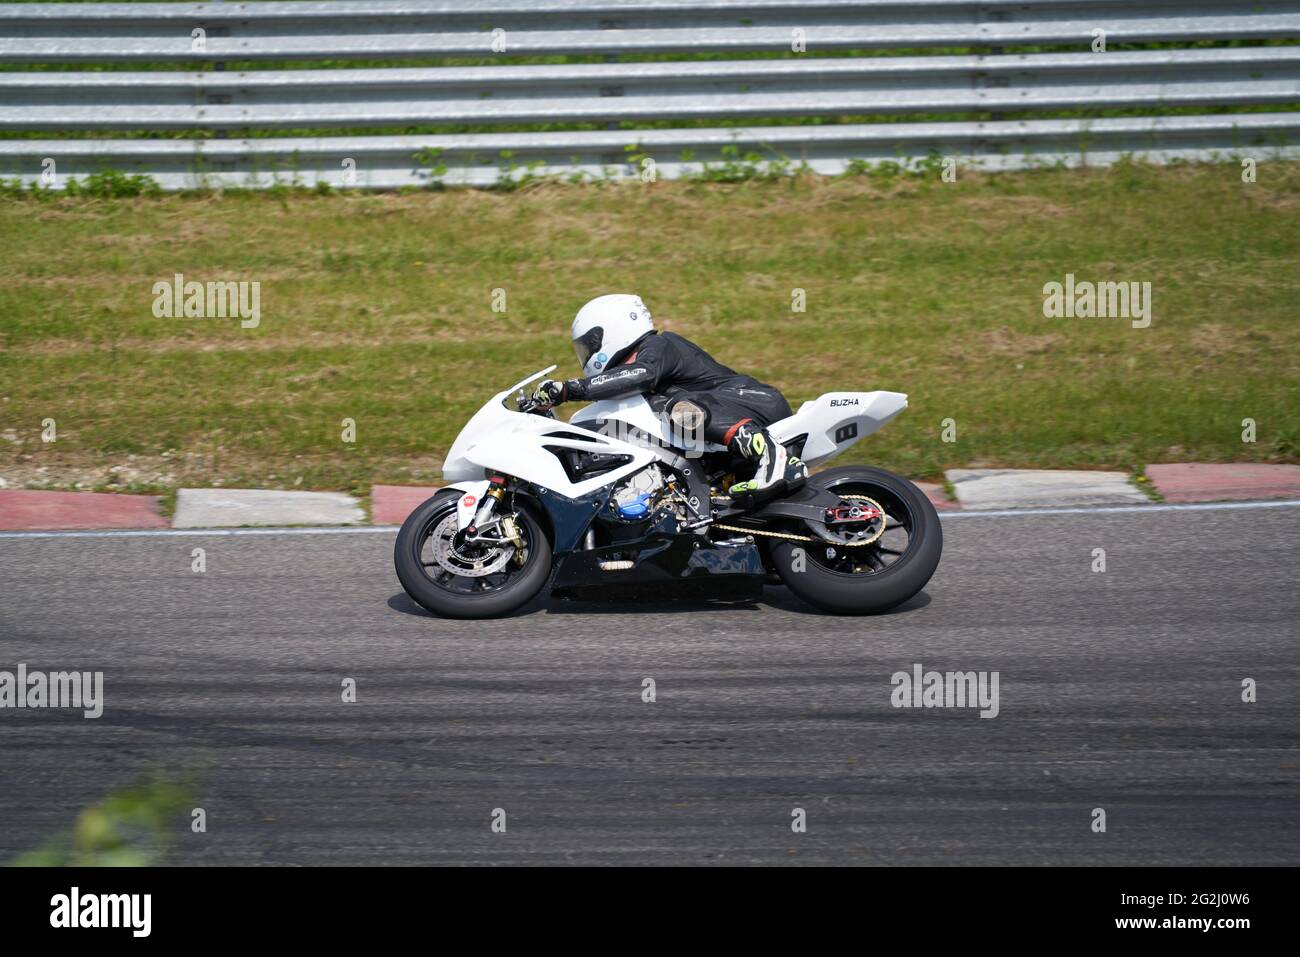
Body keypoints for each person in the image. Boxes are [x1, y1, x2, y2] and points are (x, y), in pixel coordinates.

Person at [531, 294, 807, 496]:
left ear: (613, 329)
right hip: (718, 436)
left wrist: (569, 389)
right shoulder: (636, 383)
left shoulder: (660, 346)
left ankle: (771, 455)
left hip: (753, 402)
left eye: (589, 345)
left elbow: (641, 374)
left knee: (680, 410)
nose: (587, 354)